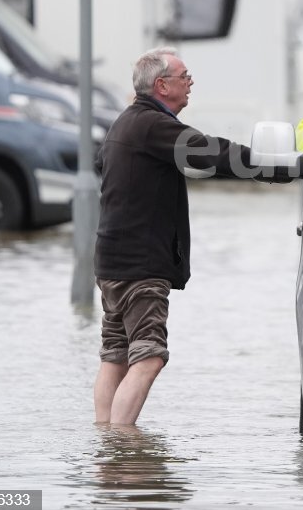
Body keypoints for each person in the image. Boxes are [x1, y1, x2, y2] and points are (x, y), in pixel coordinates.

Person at [93, 47, 254, 425]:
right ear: (162, 85)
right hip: (139, 265)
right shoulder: (152, 125)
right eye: (185, 76)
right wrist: (274, 164)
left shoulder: (125, 123)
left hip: (111, 262)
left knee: (115, 355)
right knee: (149, 357)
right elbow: (210, 152)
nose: (191, 81)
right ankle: (122, 447)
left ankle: (104, 445)